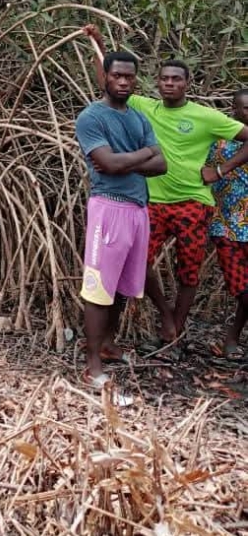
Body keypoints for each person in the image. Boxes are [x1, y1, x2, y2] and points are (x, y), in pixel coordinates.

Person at [83, 25, 248, 342]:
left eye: (176, 79)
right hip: (153, 203)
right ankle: (165, 316)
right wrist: (98, 43)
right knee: (137, 263)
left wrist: (220, 170)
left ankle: (175, 331)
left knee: (189, 271)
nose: (170, 84)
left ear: (187, 83)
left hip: (193, 204)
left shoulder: (206, 116)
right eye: (165, 79)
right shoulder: (144, 107)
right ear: (156, 82)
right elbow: (107, 78)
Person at [75, 51, 167, 389]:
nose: (124, 82)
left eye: (129, 76)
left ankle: (108, 345)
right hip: (108, 208)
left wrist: (127, 159)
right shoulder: (91, 117)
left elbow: (162, 165)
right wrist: (144, 154)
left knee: (121, 287)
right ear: (106, 77)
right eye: (117, 76)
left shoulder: (139, 119)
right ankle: (92, 366)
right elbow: (107, 165)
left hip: (138, 210)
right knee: (99, 287)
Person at [207, 88, 248, 356]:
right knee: (241, 288)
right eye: (245, 107)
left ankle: (232, 338)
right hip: (225, 225)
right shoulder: (217, 141)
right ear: (234, 110)